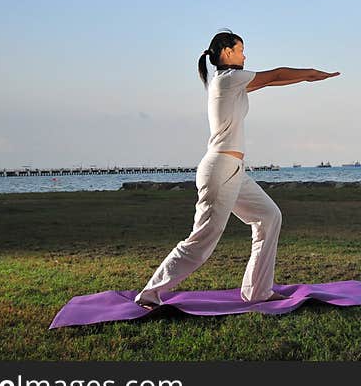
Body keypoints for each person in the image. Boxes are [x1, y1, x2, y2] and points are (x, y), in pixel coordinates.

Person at [135, 28, 341, 308]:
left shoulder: (230, 82)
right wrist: (311, 73)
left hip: (233, 170)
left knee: (269, 216)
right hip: (221, 169)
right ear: (226, 52)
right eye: (241, 50)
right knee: (201, 241)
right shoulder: (228, 79)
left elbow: (270, 82)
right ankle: (149, 293)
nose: (245, 55)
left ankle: (258, 291)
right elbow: (276, 75)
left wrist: (305, 77)